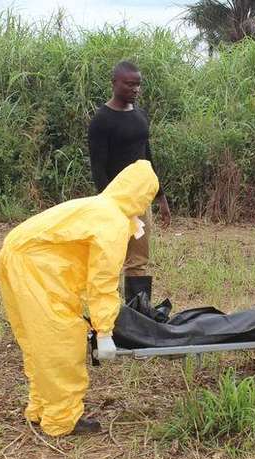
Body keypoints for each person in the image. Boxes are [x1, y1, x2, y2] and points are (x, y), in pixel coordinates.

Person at [0, 161, 159, 437]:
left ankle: (41, 407)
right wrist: (104, 331)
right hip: (38, 267)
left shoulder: (98, 206)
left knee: (38, 340)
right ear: (142, 197)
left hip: (15, 255)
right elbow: (102, 281)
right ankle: (62, 420)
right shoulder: (113, 221)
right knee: (61, 339)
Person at [88, 60, 171, 305]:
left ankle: (137, 315)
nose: (134, 89)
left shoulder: (140, 115)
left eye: (138, 85)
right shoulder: (101, 120)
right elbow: (98, 168)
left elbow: (148, 156)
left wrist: (161, 197)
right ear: (114, 83)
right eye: (128, 84)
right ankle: (108, 314)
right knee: (111, 258)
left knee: (138, 261)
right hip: (114, 203)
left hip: (140, 200)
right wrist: (107, 206)